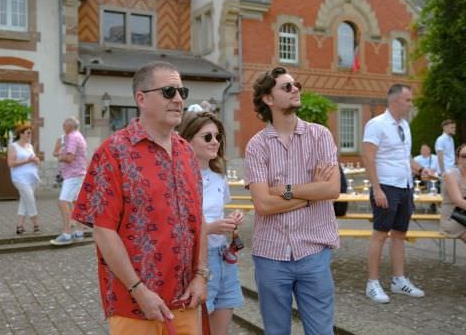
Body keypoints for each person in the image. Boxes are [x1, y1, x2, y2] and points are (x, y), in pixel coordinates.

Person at [72, 62, 208, 334]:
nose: (179, 99)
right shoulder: (113, 152)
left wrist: (201, 276)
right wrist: (139, 290)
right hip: (133, 306)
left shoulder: (187, 152)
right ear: (141, 99)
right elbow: (103, 230)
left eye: (182, 92)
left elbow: (199, 220)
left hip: (186, 301)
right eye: (169, 91)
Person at [244, 66, 340, 334]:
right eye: (286, 86)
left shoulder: (320, 136)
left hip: (314, 252)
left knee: (321, 331)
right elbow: (263, 205)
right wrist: (310, 196)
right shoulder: (256, 145)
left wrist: (282, 190)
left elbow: (332, 190)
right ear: (268, 99)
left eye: (296, 84)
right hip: (270, 256)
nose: (295, 88)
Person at [362, 84, 434, 304]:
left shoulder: (404, 125)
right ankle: (372, 283)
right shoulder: (376, 124)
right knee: (380, 234)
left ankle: (398, 280)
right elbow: (367, 157)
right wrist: (376, 188)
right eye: (409, 100)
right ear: (395, 101)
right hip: (386, 186)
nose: (411, 103)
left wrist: (421, 170)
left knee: (400, 235)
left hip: (405, 186)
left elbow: (405, 158)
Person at [178, 111, 244, 335]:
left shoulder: (219, 176)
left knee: (220, 329)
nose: (215, 141)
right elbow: (176, 228)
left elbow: (216, 212)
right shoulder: (179, 178)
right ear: (187, 140)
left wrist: (232, 220)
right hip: (197, 262)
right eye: (207, 137)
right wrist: (211, 228)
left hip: (224, 257)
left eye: (218, 136)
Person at [50, 116, 87, 245]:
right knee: (77, 203)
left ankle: (66, 234)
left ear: (68, 126)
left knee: (63, 202)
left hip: (73, 175)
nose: (63, 127)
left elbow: (69, 158)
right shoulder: (79, 135)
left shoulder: (72, 137)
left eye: (64, 125)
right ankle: (79, 232)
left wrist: (59, 156)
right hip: (79, 173)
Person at [7, 123, 41, 235]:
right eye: (28, 133)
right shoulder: (13, 146)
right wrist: (28, 161)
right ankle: (36, 225)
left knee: (24, 201)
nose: (30, 135)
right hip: (19, 178)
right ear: (21, 134)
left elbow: (33, 159)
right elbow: (10, 163)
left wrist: (36, 160)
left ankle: (19, 226)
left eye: (30, 133)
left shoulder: (29, 146)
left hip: (32, 178)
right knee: (30, 199)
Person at [440, 144, 466, 243]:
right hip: (453, 218)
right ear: (458, 159)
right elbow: (458, 201)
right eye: (464, 156)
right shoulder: (450, 175)